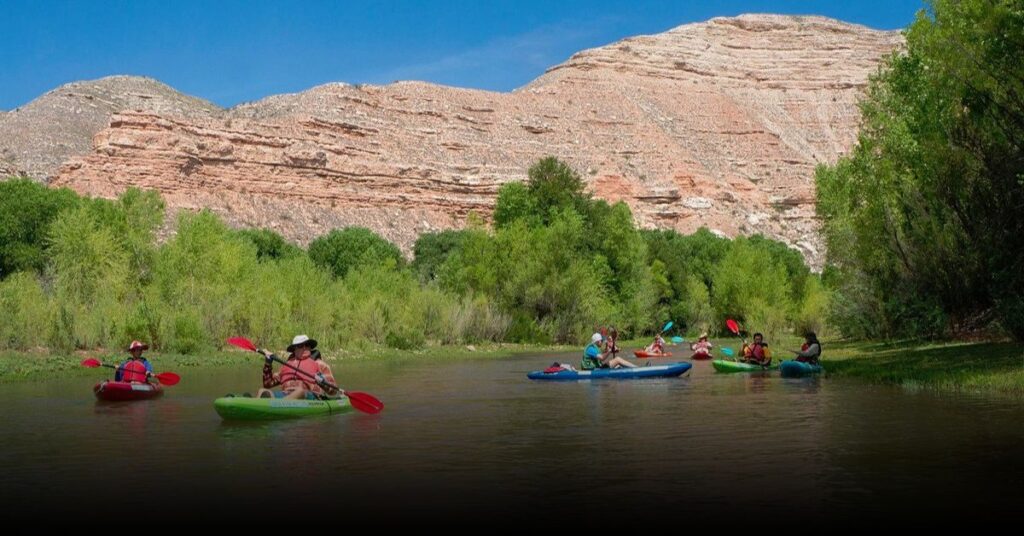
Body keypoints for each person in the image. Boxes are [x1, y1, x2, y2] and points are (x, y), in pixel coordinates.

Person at [256, 335, 339, 400]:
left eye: (307, 345)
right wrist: (268, 364)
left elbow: (334, 391)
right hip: (286, 394)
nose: (304, 348)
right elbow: (267, 384)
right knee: (262, 391)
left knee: (300, 391)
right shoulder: (286, 365)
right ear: (294, 349)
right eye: (300, 346)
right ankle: (257, 407)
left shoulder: (319, 364)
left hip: (310, 397)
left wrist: (323, 382)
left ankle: (279, 405)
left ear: (310, 347)